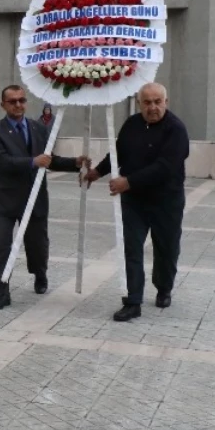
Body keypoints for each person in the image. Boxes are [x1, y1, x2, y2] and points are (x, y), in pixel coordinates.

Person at [86, 83, 190, 322]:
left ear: (166, 102)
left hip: (166, 201)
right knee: (130, 249)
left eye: (157, 102)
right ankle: (132, 300)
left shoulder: (176, 129)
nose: (152, 107)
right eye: (147, 102)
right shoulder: (131, 125)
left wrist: (129, 181)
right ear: (139, 103)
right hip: (134, 202)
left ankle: (164, 288)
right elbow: (117, 153)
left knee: (166, 249)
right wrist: (97, 172)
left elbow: (166, 167)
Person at [0, 85, 86, 309]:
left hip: (35, 199)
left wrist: (74, 163)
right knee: (1, 246)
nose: (18, 105)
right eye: (12, 101)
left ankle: (40, 274)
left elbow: (50, 159)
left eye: (22, 100)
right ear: (3, 105)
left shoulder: (38, 128)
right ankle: (1, 291)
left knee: (37, 246)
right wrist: (32, 162)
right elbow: (1, 162)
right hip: (6, 201)